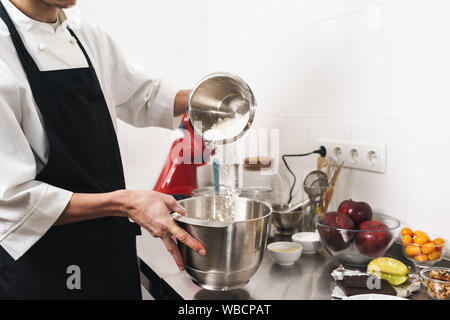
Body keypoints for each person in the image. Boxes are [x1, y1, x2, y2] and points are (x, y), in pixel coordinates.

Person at [0, 0, 206, 299]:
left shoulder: (87, 36)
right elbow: (11, 199)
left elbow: (144, 96)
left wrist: (210, 98)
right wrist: (125, 203)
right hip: (42, 266)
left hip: (109, 247)